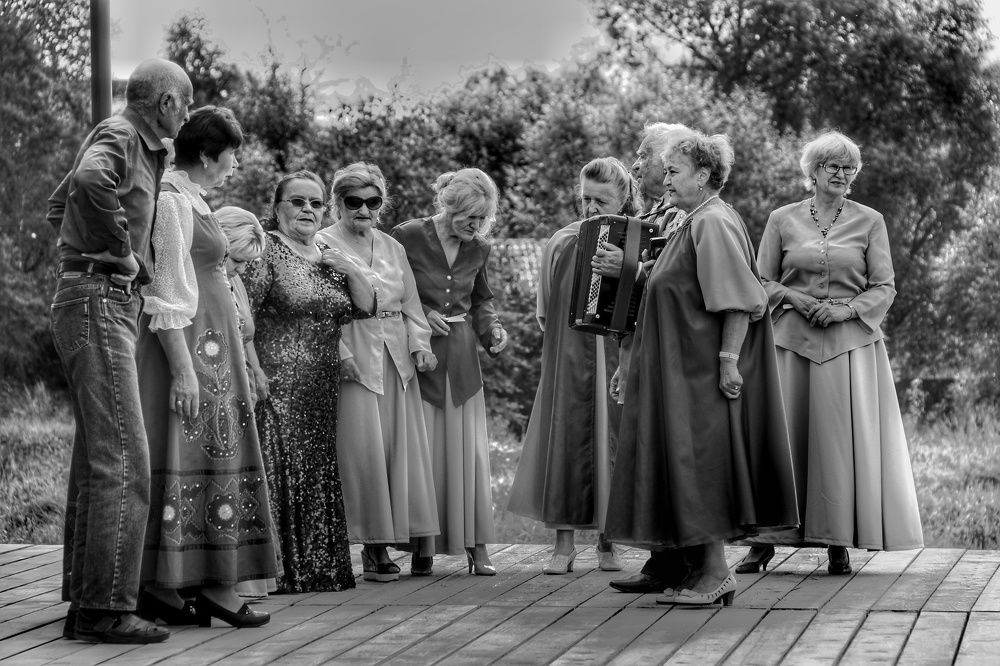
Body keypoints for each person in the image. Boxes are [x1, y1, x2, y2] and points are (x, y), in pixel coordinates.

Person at [604, 131, 798, 606]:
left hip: (699, 373)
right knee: (685, 466)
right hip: (677, 370)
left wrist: (728, 363)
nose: (665, 179)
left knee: (701, 468)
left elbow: (741, 301)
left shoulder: (712, 221)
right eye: (666, 171)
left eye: (674, 172)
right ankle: (692, 571)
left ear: (704, 175)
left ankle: (715, 576)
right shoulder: (692, 220)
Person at [47, 58, 192, 644]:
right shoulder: (122, 134)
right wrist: (122, 255)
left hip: (96, 298)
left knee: (99, 460)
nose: (187, 115)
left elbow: (59, 208)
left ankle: (89, 606)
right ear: (166, 103)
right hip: (98, 301)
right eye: (185, 104)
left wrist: (94, 252)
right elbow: (85, 185)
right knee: (125, 461)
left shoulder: (134, 143)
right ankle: (106, 610)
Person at [738, 131, 923, 576]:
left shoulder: (870, 221)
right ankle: (764, 541)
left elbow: (884, 286)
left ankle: (838, 540)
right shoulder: (781, 219)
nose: (842, 174)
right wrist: (794, 298)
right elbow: (759, 281)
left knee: (838, 444)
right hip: (789, 345)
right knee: (781, 441)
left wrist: (845, 310)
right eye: (833, 166)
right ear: (814, 171)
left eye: (849, 168)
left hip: (850, 348)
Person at [135, 106, 275, 628]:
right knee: (196, 450)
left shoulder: (192, 197)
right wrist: (183, 370)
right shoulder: (172, 200)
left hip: (213, 346)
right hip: (193, 348)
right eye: (232, 155)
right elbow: (164, 289)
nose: (235, 165)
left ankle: (171, 587)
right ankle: (209, 585)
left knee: (211, 449)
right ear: (209, 155)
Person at [242, 170, 376, 593]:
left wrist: (351, 268)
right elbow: (241, 317)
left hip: (320, 388)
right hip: (276, 384)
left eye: (316, 203)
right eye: (297, 201)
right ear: (277, 207)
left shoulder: (326, 254)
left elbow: (365, 307)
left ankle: (314, 568)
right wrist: (253, 370)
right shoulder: (266, 250)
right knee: (280, 468)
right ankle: (275, 571)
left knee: (314, 469)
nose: (307, 210)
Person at [507, 157, 641, 574]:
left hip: (619, 355)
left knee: (616, 441)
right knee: (565, 440)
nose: (591, 207)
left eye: (602, 200)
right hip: (568, 357)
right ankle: (562, 544)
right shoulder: (562, 242)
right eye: (586, 198)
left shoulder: (638, 242)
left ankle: (608, 542)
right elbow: (546, 310)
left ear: (623, 199)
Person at [315, 162, 441, 581]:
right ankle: (373, 545)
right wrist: (340, 352)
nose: (364, 210)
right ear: (337, 203)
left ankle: (411, 535)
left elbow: (411, 305)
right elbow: (321, 310)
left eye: (373, 202)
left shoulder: (391, 246)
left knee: (399, 449)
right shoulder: (322, 243)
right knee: (363, 450)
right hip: (354, 352)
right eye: (354, 202)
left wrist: (420, 346)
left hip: (396, 356)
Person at [391, 168, 509, 575]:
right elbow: (390, 289)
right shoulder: (407, 235)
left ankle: (477, 547)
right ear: (449, 206)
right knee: (423, 455)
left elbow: (482, 301)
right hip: (419, 358)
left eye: (482, 219)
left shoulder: (480, 248)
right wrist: (422, 314)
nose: (475, 226)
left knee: (468, 457)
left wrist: (493, 330)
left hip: (461, 361)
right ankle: (422, 547)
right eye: (469, 217)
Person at [602, 123, 700, 594]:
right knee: (645, 454)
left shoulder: (689, 215)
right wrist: (624, 356)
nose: (636, 164)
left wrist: (624, 267)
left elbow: (674, 285)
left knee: (670, 453)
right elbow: (639, 296)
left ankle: (686, 563)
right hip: (643, 346)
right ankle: (661, 559)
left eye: (645, 155)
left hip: (675, 352)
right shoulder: (653, 214)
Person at [216, 206, 269, 407]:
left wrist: (256, 369)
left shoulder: (234, 280)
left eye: (247, 262)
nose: (242, 269)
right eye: (237, 260)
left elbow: (245, 335)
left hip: (241, 382)